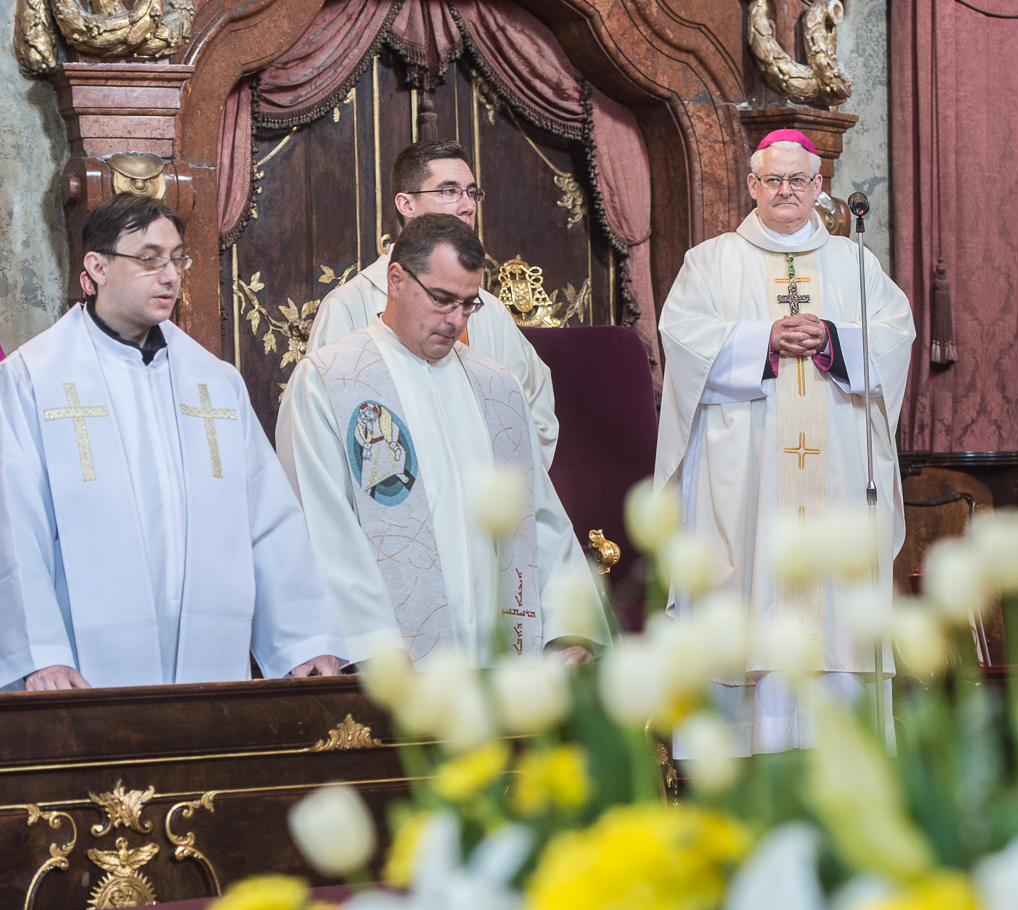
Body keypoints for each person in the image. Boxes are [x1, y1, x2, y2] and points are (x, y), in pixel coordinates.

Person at [0, 193, 346, 691]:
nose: (169, 275)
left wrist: (302, 638)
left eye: (176, 258)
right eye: (148, 259)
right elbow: (14, 530)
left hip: (206, 669)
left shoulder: (215, 382)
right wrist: (42, 655)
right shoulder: (33, 379)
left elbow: (268, 521)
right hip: (77, 671)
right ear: (96, 266)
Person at [655, 129, 915, 753]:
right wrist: (761, 341)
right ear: (752, 185)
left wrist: (831, 337)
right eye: (772, 180)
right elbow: (683, 340)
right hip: (747, 475)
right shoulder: (711, 260)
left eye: (798, 180)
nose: (785, 191)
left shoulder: (855, 264)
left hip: (839, 480)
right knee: (751, 594)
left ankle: (844, 748)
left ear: (819, 187)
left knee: (836, 606)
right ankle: (742, 751)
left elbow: (895, 338)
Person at [278, 214, 604, 668]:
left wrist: (569, 630)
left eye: (469, 304)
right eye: (442, 299)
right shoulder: (330, 380)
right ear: (396, 279)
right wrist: (374, 648)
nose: (456, 320)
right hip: (390, 669)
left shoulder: (497, 387)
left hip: (503, 669)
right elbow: (321, 527)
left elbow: (537, 518)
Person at [305, 140, 558, 468]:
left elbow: (536, 411)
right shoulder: (348, 308)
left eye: (472, 192)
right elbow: (327, 434)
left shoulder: (491, 312)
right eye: (449, 191)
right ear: (406, 204)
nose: (467, 206)